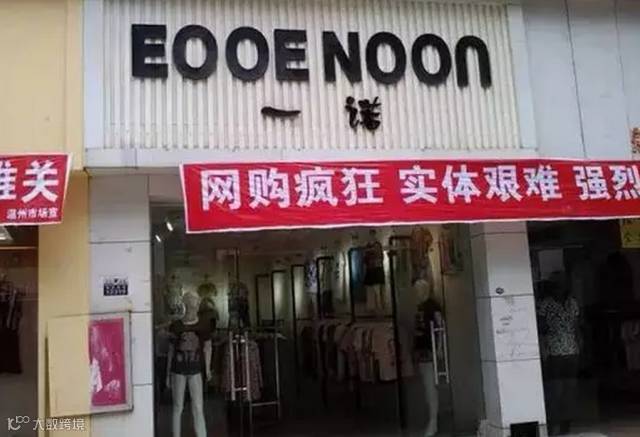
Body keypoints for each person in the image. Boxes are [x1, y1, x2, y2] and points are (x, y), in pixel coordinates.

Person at [537, 271, 581, 436]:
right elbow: (541, 328)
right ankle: (552, 424)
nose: (560, 288)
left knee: (570, 389)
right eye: (557, 284)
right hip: (554, 352)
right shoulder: (545, 304)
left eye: (562, 284)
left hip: (571, 351)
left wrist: (580, 346)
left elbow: (576, 327)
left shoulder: (572, 303)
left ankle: (565, 425)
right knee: (555, 390)